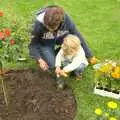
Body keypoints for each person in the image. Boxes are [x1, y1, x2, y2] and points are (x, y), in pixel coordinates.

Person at [29, 5, 95, 71]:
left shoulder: (65, 19)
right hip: (45, 44)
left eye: (52, 28)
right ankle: (49, 55)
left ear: (59, 22)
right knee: (52, 65)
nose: (50, 30)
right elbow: (33, 44)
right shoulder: (37, 24)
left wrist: (89, 55)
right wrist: (39, 59)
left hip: (62, 38)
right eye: (47, 27)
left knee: (72, 45)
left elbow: (76, 34)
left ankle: (65, 51)